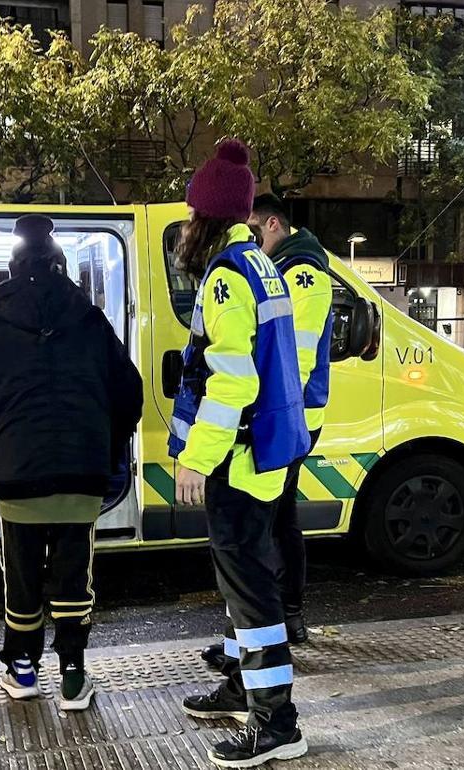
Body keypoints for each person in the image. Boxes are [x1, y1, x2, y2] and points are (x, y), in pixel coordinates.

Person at [0, 214, 142, 711]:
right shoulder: (92, 320)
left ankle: (23, 671)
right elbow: (129, 394)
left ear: (13, 270)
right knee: (74, 572)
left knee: (22, 573)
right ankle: (74, 677)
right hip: (82, 476)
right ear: (61, 267)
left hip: (14, 476)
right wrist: (106, 449)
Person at [170, 140, 311, 768]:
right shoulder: (260, 264)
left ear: (204, 218)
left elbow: (231, 381)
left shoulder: (227, 279)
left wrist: (197, 457)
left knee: (251, 593)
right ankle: (241, 689)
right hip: (265, 453)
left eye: (190, 216)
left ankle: (276, 724)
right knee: (246, 584)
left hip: (237, 458)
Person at [200, 193, 334, 670]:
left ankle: (286, 620)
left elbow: (292, 362)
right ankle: (249, 647)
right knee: (260, 538)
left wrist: (260, 421)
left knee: (272, 530)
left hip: (282, 421)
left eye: (258, 228)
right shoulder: (277, 267)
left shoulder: (302, 272)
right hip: (274, 420)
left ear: (274, 223)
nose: (255, 237)